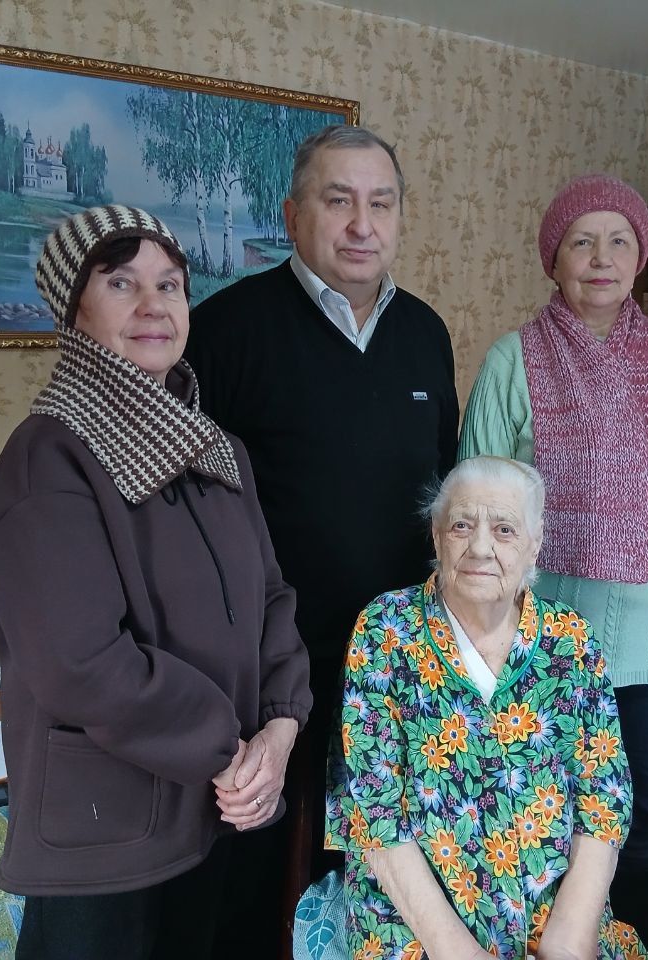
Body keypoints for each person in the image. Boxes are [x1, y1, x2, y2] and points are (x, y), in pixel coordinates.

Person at [0, 205, 312, 959]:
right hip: (112, 838)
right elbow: (80, 664)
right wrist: (232, 751)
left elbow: (271, 599)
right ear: (75, 309)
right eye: (121, 283)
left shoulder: (216, 449)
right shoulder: (49, 460)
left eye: (170, 285)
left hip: (228, 810)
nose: (154, 305)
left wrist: (281, 727)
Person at [458, 175, 648, 957]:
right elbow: (475, 511)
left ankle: (632, 946)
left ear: (640, 258)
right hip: (543, 643)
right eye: (581, 242)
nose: (601, 258)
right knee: (538, 816)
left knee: (642, 816)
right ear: (553, 260)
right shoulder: (512, 361)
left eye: (619, 241)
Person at [184, 123, 459, 923]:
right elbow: (185, 518)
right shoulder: (224, 331)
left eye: (381, 203)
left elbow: (443, 490)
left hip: (396, 662)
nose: (362, 225)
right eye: (338, 201)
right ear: (293, 215)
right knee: (253, 874)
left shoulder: (426, 334)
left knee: (379, 871)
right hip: (265, 667)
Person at [327, 455, 648, 960]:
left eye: (504, 530)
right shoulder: (385, 630)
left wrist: (568, 938)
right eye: (461, 525)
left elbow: (604, 799)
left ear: (534, 545)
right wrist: (459, 952)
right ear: (436, 537)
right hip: (415, 921)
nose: (480, 547)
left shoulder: (571, 640)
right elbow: (375, 815)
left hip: (551, 909)